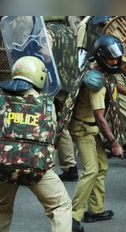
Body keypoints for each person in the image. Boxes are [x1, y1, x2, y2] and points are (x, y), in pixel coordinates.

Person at [0, 56, 86, 232]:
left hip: (3, 165)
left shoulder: (2, 99)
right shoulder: (47, 104)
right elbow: (52, 137)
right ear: (39, 77)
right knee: (60, 206)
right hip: (37, 168)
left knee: (1, 207)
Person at [64, 35, 126, 232]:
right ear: (101, 57)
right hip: (84, 129)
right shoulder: (95, 83)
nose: (115, 62)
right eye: (111, 59)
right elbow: (100, 117)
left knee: (102, 166)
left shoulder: (101, 71)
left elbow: (113, 84)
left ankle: (95, 210)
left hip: (92, 128)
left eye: (117, 58)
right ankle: (72, 217)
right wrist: (115, 143)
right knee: (91, 170)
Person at [45, 16, 80, 182]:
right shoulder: (69, 31)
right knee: (62, 124)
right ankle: (70, 166)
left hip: (52, 84)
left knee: (49, 125)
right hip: (69, 83)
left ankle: (48, 168)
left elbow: (44, 57)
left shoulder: (47, 32)